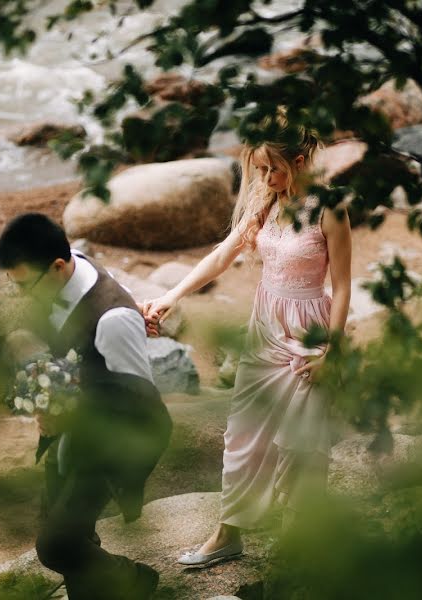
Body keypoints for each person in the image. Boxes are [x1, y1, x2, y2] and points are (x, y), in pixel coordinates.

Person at [143, 121, 352, 567]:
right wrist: (169, 297)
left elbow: (344, 284)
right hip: (265, 330)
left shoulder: (327, 209)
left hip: (309, 332)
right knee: (242, 435)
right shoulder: (266, 202)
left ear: (298, 162)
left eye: (270, 169)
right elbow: (221, 255)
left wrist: (332, 353)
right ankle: (227, 534)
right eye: (257, 169)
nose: (263, 178)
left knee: (304, 443)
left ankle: (305, 537)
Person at [0, 213, 172, 599]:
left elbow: (136, 398)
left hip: (120, 435)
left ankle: (138, 581)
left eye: (25, 286)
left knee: (55, 545)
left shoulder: (112, 319)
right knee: (64, 527)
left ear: (58, 268)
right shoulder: (68, 263)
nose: (22, 296)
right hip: (73, 429)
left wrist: (66, 407)